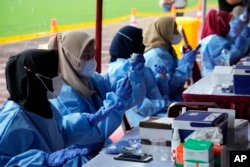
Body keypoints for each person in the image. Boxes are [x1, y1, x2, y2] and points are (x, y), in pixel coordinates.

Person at [0, 48, 132, 166]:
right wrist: (43, 161)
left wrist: (86, 121)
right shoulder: (12, 120)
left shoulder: (44, 106)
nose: (58, 78)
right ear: (34, 79)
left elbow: (60, 132)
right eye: (52, 74)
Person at [48, 30, 146, 147]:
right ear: (68, 58)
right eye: (85, 57)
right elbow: (92, 135)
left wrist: (135, 77)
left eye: (92, 55)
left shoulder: (91, 79)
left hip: (99, 150)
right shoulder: (61, 93)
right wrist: (117, 101)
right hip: (80, 158)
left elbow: (129, 99)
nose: (91, 61)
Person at [108, 25, 169, 127]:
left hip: (157, 113)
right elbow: (139, 105)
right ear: (129, 44)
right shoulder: (120, 70)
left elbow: (153, 91)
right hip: (145, 121)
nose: (143, 46)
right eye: (140, 42)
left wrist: (162, 77)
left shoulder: (136, 63)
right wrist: (164, 104)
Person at [143, 16, 198, 103]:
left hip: (174, 99)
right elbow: (168, 86)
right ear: (164, 31)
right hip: (167, 103)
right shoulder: (157, 56)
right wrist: (185, 64)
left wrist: (183, 62)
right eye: (174, 31)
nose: (177, 33)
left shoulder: (165, 50)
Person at [200, 9, 250, 76]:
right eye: (227, 22)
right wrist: (237, 48)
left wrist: (243, 19)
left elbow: (233, 30)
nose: (228, 25)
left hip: (217, 74)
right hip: (215, 77)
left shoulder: (216, 35)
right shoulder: (214, 40)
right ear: (220, 23)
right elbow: (225, 60)